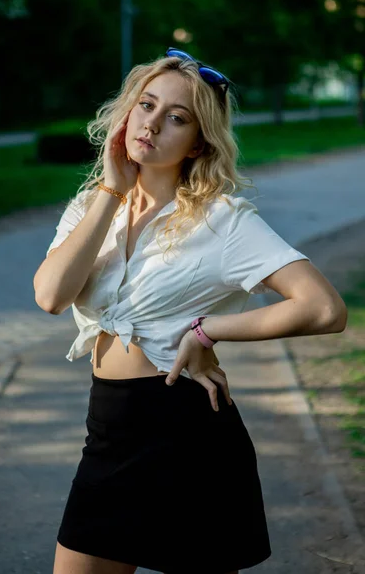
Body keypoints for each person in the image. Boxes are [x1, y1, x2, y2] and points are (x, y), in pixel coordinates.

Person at [33, 47, 348, 574]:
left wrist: (207, 332)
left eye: (176, 118)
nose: (152, 124)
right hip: (109, 430)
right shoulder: (91, 207)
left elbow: (323, 308)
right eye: (146, 105)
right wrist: (113, 189)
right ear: (128, 110)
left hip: (189, 438)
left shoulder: (222, 221)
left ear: (198, 139)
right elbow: (50, 296)